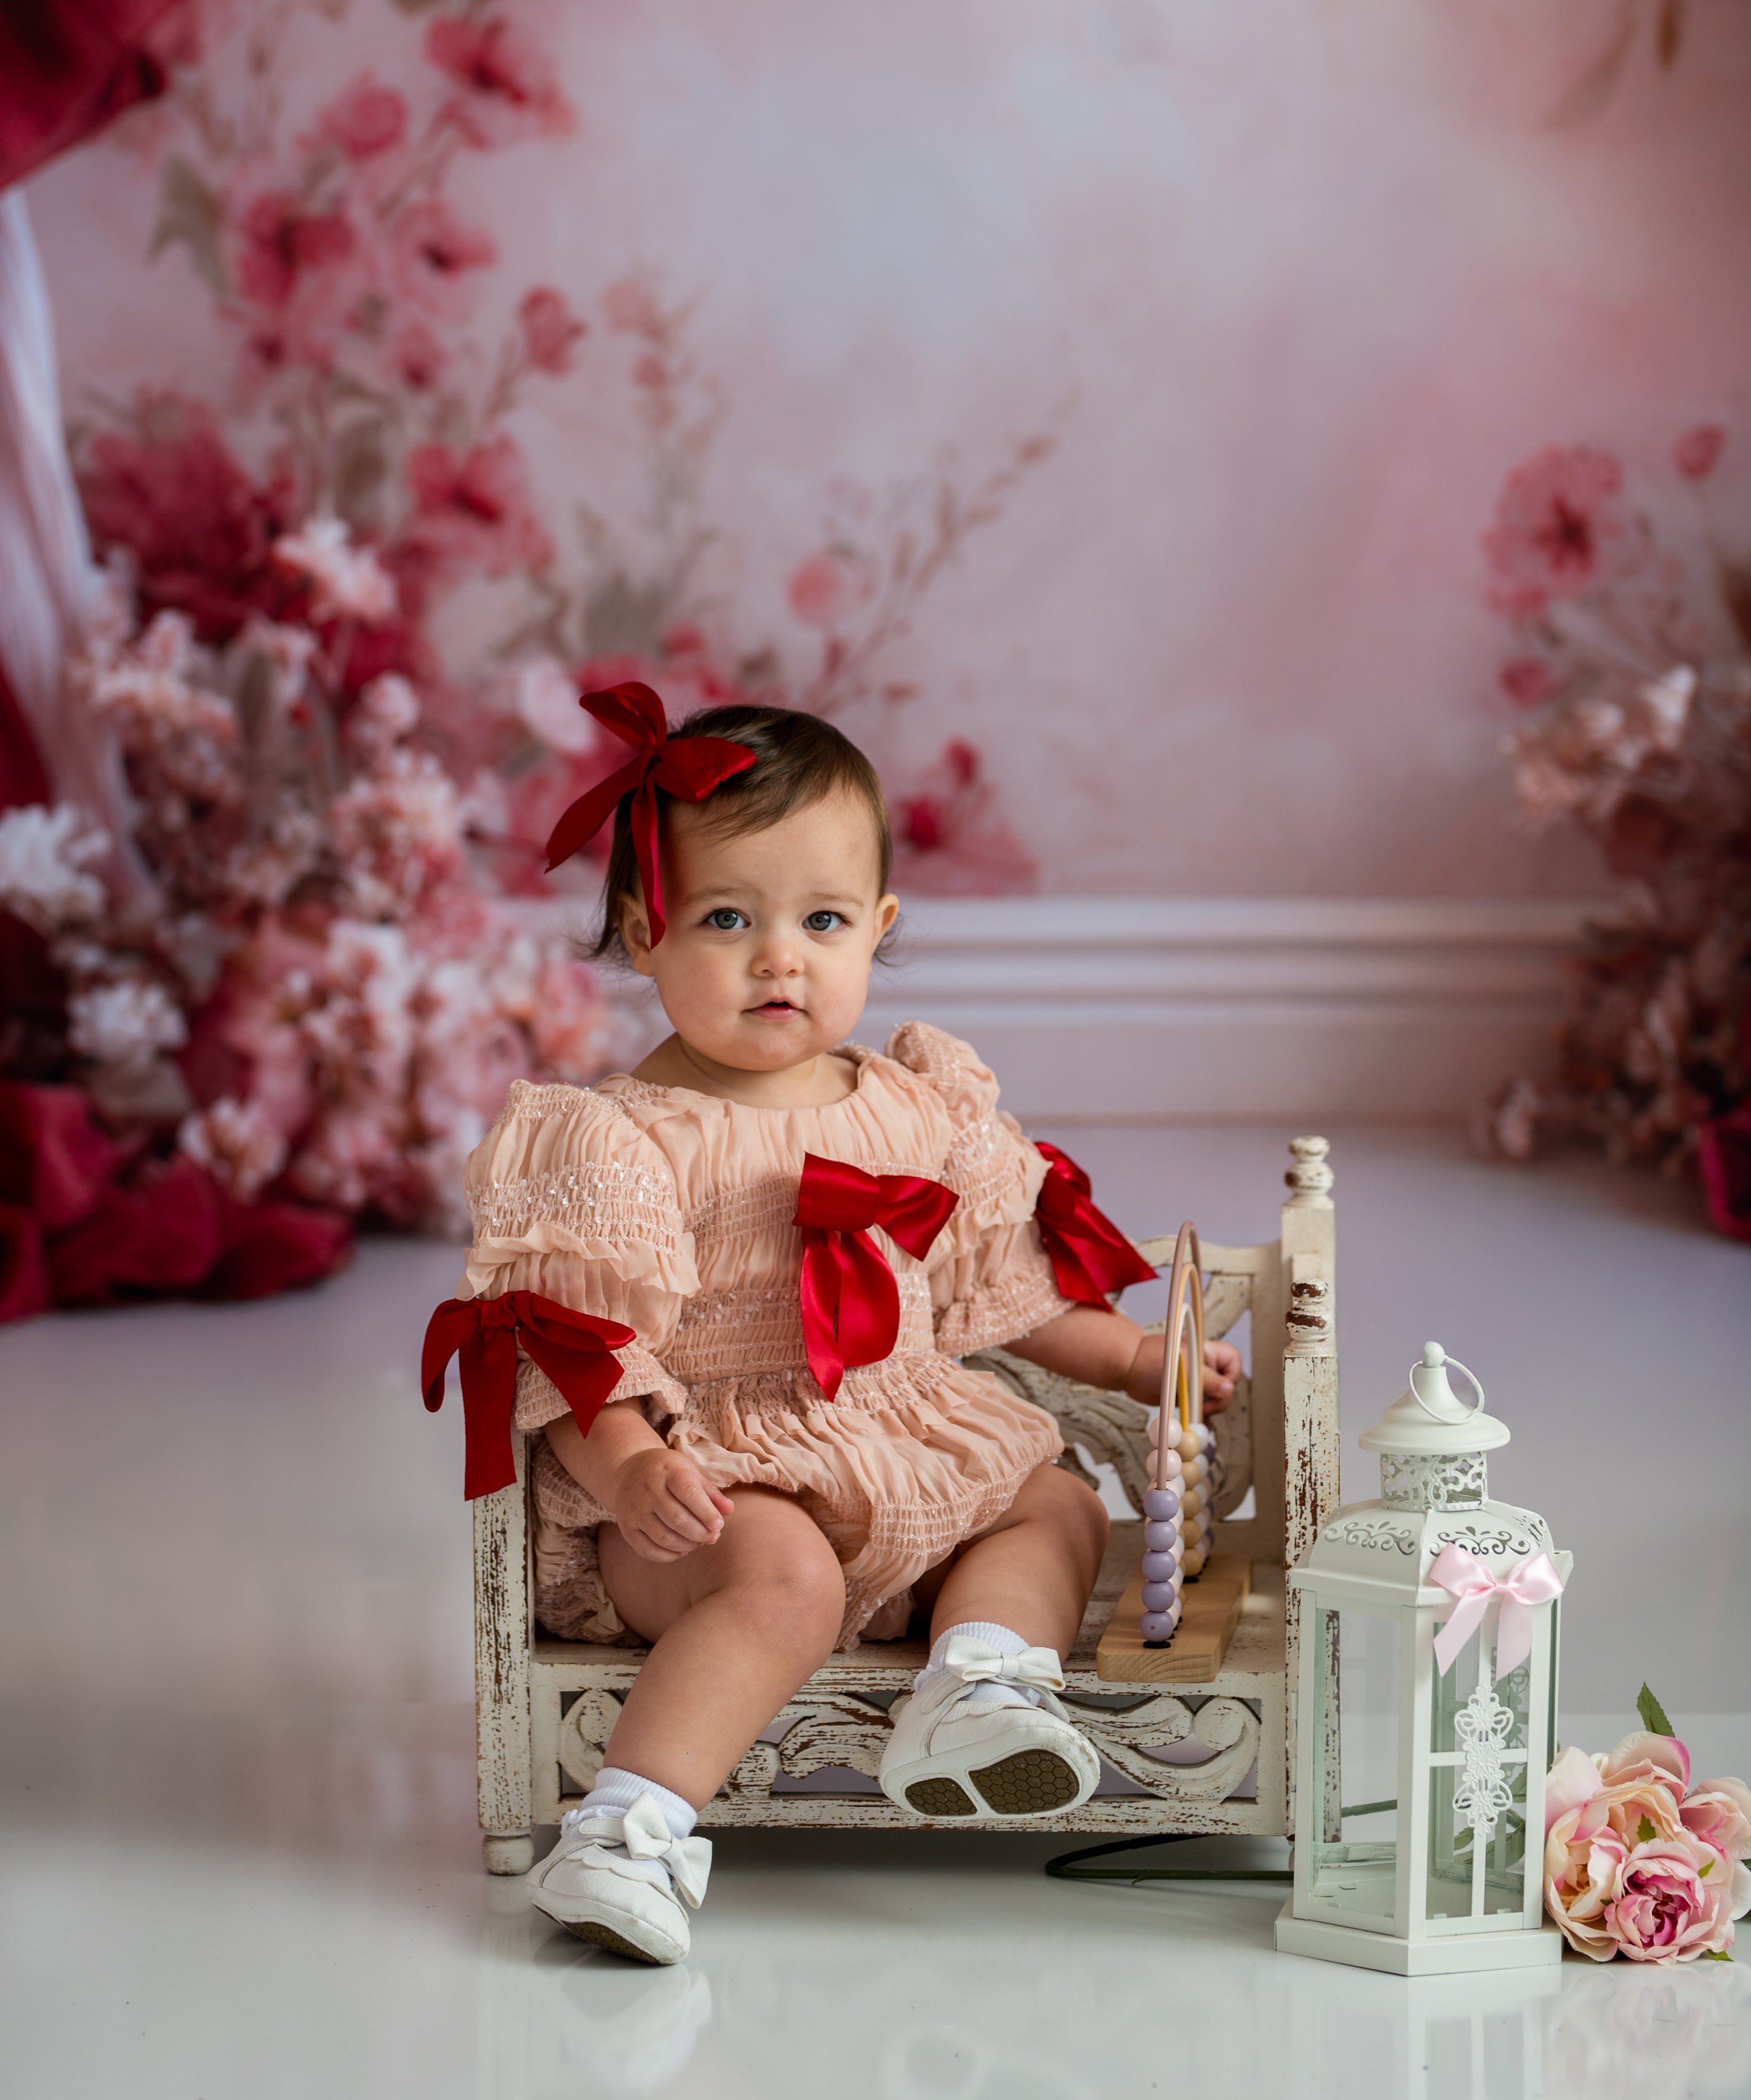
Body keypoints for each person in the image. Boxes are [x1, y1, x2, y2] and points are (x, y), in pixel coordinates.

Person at [451, 688, 1241, 1963]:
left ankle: (979, 1681)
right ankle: (626, 1827)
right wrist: (631, 1465)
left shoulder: (917, 1106)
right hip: (714, 1473)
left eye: (821, 920)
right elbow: (576, 1342)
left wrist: (1139, 1359)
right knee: (783, 1576)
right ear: (642, 932)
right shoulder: (612, 1138)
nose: (780, 957)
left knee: (1055, 1501)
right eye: (726, 918)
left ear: (877, 928)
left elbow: (1001, 1288)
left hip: (904, 1442)